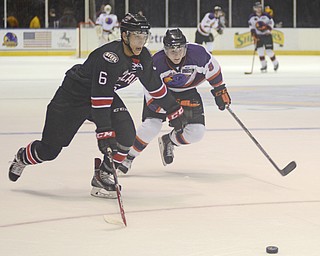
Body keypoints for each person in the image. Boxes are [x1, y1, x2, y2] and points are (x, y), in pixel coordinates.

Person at [8, 13, 187, 199]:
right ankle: (22, 157)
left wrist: (174, 109)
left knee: (126, 136)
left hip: (104, 95)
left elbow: (154, 86)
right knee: (49, 150)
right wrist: (104, 131)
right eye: (136, 36)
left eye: (144, 36)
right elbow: (99, 98)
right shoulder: (110, 58)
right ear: (125, 36)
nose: (141, 42)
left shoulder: (143, 58)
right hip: (73, 98)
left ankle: (103, 175)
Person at [118, 28, 231, 174]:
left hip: (188, 92)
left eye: (180, 50)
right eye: (172, 51)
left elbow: (213, 70)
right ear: (165, 50)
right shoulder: (155, 63)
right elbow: (152, 96)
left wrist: (220, 90)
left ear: (186, 47)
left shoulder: (198, 54)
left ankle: (169, 141)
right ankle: (128, 157)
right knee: (151, 126)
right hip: (163, 94)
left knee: (197, 133)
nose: (176, 55)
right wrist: (172, 111)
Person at [248, 2, 279, 72]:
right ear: (254, 8)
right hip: (258, 36)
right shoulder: (252, 17)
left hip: (267, 35)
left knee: (269, 51)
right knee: (260, 51)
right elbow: (251, 27)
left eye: (259, 7)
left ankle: (275, 63)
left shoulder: (266, 15)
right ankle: (264, 65)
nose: (259, 9)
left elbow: (271, 24)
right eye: (257, 7)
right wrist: (253, 34)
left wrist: (268, 29)